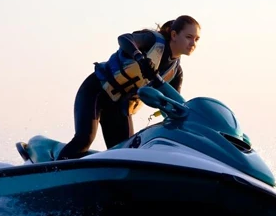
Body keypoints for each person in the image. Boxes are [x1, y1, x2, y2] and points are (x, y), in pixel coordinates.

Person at [56, 15, 201, 160]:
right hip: (96, 91)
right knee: (84, 139)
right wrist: (140, 58)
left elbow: (173, 106)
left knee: (126, 154)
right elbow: (124, 39)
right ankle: (52, 172)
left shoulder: (175, 72)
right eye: (189, 37)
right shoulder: (152, 41)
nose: (193, 43)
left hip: (119, 107)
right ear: (174, 35)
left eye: (196, 39)